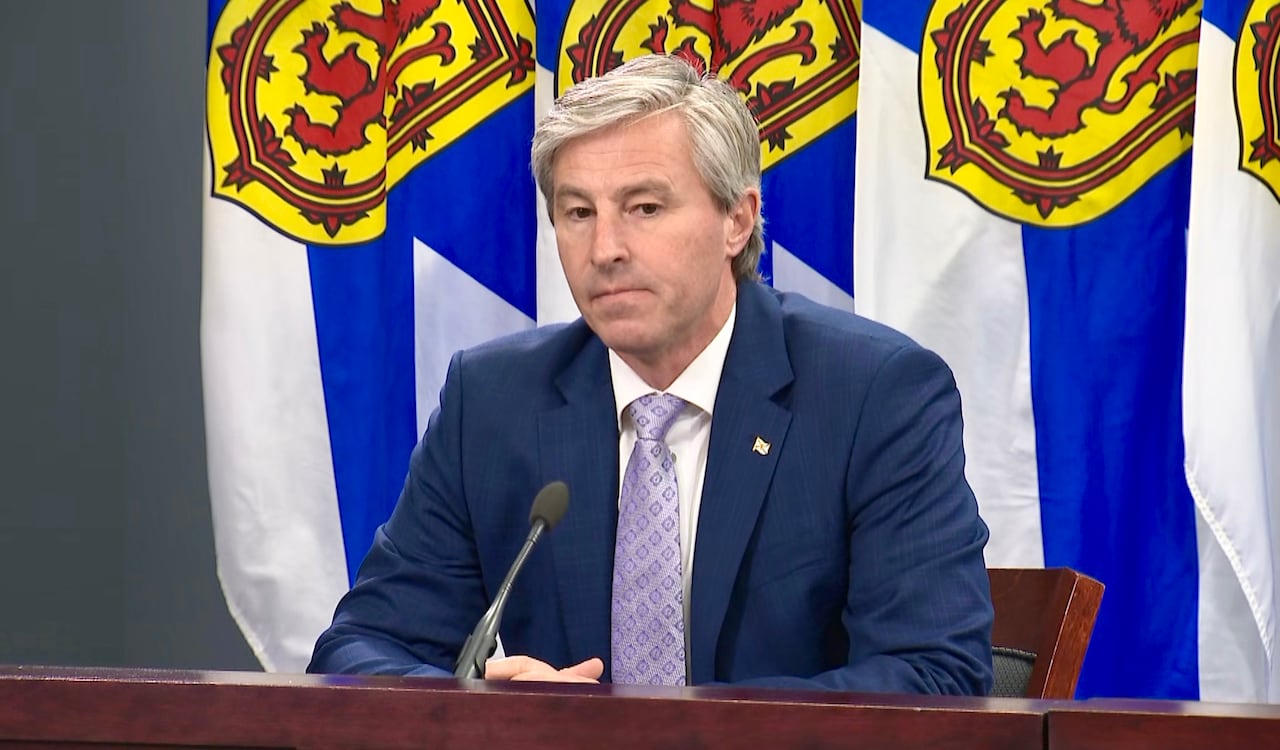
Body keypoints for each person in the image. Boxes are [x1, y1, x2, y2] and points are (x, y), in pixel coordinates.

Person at [308, 54, 994, 694]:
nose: (605, 249)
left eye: (645, 208)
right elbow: (359, 650)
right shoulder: (490, 403)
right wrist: (487, 706)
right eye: (578, 213)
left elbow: (933, 673)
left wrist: (665, 731)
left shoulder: (874, 394)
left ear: (737, 219)